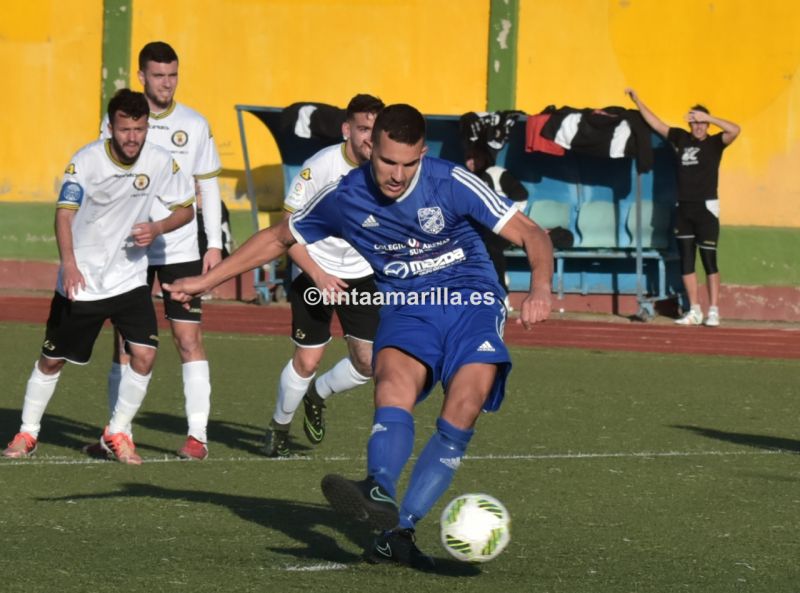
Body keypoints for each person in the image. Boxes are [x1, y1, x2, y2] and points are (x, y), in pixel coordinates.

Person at [164, 104, 553, 569]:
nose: (397, 174)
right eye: (388, 161)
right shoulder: (344, 196)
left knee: (464, 405)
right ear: (370, 147)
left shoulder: (448, 180)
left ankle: (400, 533)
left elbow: (532, 233)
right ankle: (378, 488)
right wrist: (206, 282)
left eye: (409, 164)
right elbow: (278, 238)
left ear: (422, 154)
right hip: (408, 307)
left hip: (471, 301)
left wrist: (540, 289)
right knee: (390, 383)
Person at [2, 89, 195, 464]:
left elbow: (186, 210)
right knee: (52, 360)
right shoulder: (85, 162)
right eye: (125, 130)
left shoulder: (160, 161)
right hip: (84, 280)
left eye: (139, 129)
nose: (133, 138)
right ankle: (27, 432)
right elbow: (63, 215)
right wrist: (69, 264)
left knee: (144, 354)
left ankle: (118, 431)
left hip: (130, 278)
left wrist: (157, 227)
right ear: (111, 128)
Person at [95, 42, 224, 460]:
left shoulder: (195, 124)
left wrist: (215, 245)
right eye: (158, 75)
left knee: (188, 337)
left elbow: (208, 186)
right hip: (130, 248)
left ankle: (198, 437)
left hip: (180, 247)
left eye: (172, 75)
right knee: (124, 341)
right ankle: (119, 432)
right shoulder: (115, 122)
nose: (166, 83)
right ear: (141, 77)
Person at [263, 94, 385, 457]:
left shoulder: (386, 170)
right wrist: (317, 274)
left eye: (376, 131)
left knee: (369, 362)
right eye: (364, 129)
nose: (370, 139)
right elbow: (285, 230)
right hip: (313, 267)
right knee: (308, 359)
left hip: (361, 273)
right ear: (347, 130)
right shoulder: (319, 167)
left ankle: (318, 395)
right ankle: (278, 428)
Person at [626, 89, 740, 326]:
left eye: (702, 123)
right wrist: (638, 100)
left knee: (709, 260)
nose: (698, 127)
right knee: (686, 260)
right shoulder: (680, 138)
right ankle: (695, 310)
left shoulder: (715, 143)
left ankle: (714, 311)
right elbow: (656, 124)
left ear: (707, 125)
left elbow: (735, 130)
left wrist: (708, 117)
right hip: (683, 208)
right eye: (695, 122)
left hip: (706, 208)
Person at [464, 143, 529, 308]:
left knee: (491, 247)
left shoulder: (497, 173)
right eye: (468, 158)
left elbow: (522, 196)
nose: (471, 162)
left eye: (475, 158)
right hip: (480, 229)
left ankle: (502, 294)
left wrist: (507, 219)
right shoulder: (466, 178)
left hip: (505, 229)